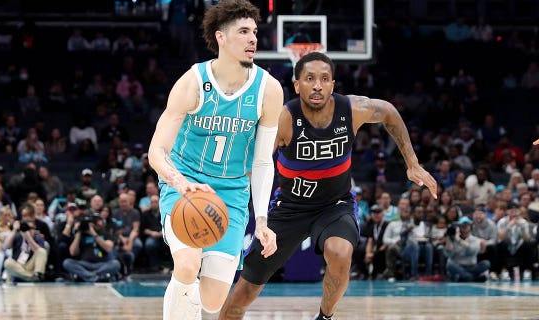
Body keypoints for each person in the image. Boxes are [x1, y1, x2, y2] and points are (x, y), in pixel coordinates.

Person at [219, 52, 437, 320]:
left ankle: (325, 317)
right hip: (289, 207)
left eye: (324, 79)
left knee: (340, 251)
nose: (318, 85)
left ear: (333, 84)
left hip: (335, 205)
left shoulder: (352, 110)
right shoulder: (284, 119)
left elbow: (389, 112)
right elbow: (255, 166)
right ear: (297, 85)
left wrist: (412, 162)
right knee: (243, 294)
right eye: (310, 78)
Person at [147, 0, 283, 318]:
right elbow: (156, 152)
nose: (253, 39)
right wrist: (183, 186)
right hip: (185, 182)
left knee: (212, 301)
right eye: (243, 32)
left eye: (254, 32)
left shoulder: (269, 89)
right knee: (187, 263)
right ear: (221, 37)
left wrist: (261, 220)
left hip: (232, 192)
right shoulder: (193, 83)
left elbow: (263, 162)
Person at [445, 216, 490, 282]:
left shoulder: (475, 240)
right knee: (449, 264)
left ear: (470, 227)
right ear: (459, 227)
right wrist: (448, 238)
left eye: (466, 225)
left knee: (486, 263)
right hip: (458, 266)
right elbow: (449, 254)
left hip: (471, 266)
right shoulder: (453, 239)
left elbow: (471, 251)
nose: (464, 226)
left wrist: (459, 240)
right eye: (462, 225)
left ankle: (465, 277)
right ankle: (472, 277)